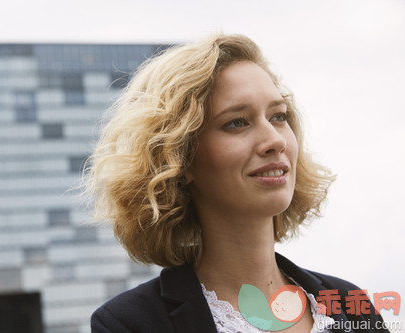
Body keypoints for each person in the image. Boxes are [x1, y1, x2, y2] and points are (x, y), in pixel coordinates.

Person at [86, 34, 388, 332]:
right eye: (237, 122)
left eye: (278, 116)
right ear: (180, 158)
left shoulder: (350, 303)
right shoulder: (130, 324)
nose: (274, 140)